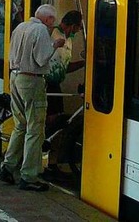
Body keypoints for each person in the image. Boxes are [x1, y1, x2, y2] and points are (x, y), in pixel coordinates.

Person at [0, 4, 59, 192]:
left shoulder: (21, 27)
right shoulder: (40, 30)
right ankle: (29, 176)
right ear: (48, 19)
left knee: (20, 125)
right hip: (31, 80)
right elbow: (41, 59)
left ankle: (7, 166)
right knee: (35, 128)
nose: (52, 26)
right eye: (52, 22)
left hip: (15, 77)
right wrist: (55, 45)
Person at [43, 10, 85, 180]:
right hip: (47, 83)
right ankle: (45, 161)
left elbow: (64, 67)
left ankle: (50, 161)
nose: (78, 32)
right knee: (52, 121)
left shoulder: (68, 39)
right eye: (78, 28)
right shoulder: (52, 35)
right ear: (72, 25)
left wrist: (84, 64)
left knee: (56, 120)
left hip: (55, 82)